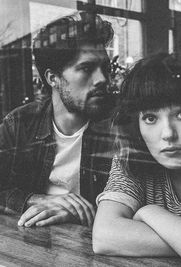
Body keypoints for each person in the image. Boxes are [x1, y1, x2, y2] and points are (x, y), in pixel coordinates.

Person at [93, 52, 181, 266]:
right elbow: (104, 236)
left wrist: (151, 213)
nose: (168, 133)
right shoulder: (132, 160)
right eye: (151, 118)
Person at [0, 12, 115, 227]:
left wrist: (77, 213)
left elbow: (140, 204)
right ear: (53, 78)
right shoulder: (20, 123)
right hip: (33, 244)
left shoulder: (119, 126)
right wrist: (37, 199)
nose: (102, 79)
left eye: (105, 68)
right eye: (87, 69)